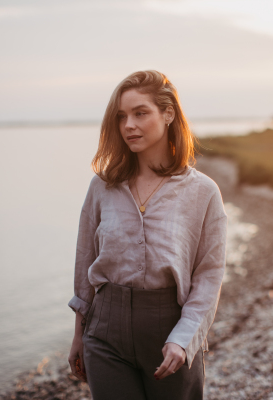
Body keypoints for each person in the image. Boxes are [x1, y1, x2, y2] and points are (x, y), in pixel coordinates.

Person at [67, 70, 228, 399]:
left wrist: (183, 338)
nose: (128, 125)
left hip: (169, 325)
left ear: (168, 114)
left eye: (141, 113)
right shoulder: (102, 187)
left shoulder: (203, 192)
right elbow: (85, 262)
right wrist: (79, 334)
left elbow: (209, 276)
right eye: (122, 116)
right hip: (104, 330)